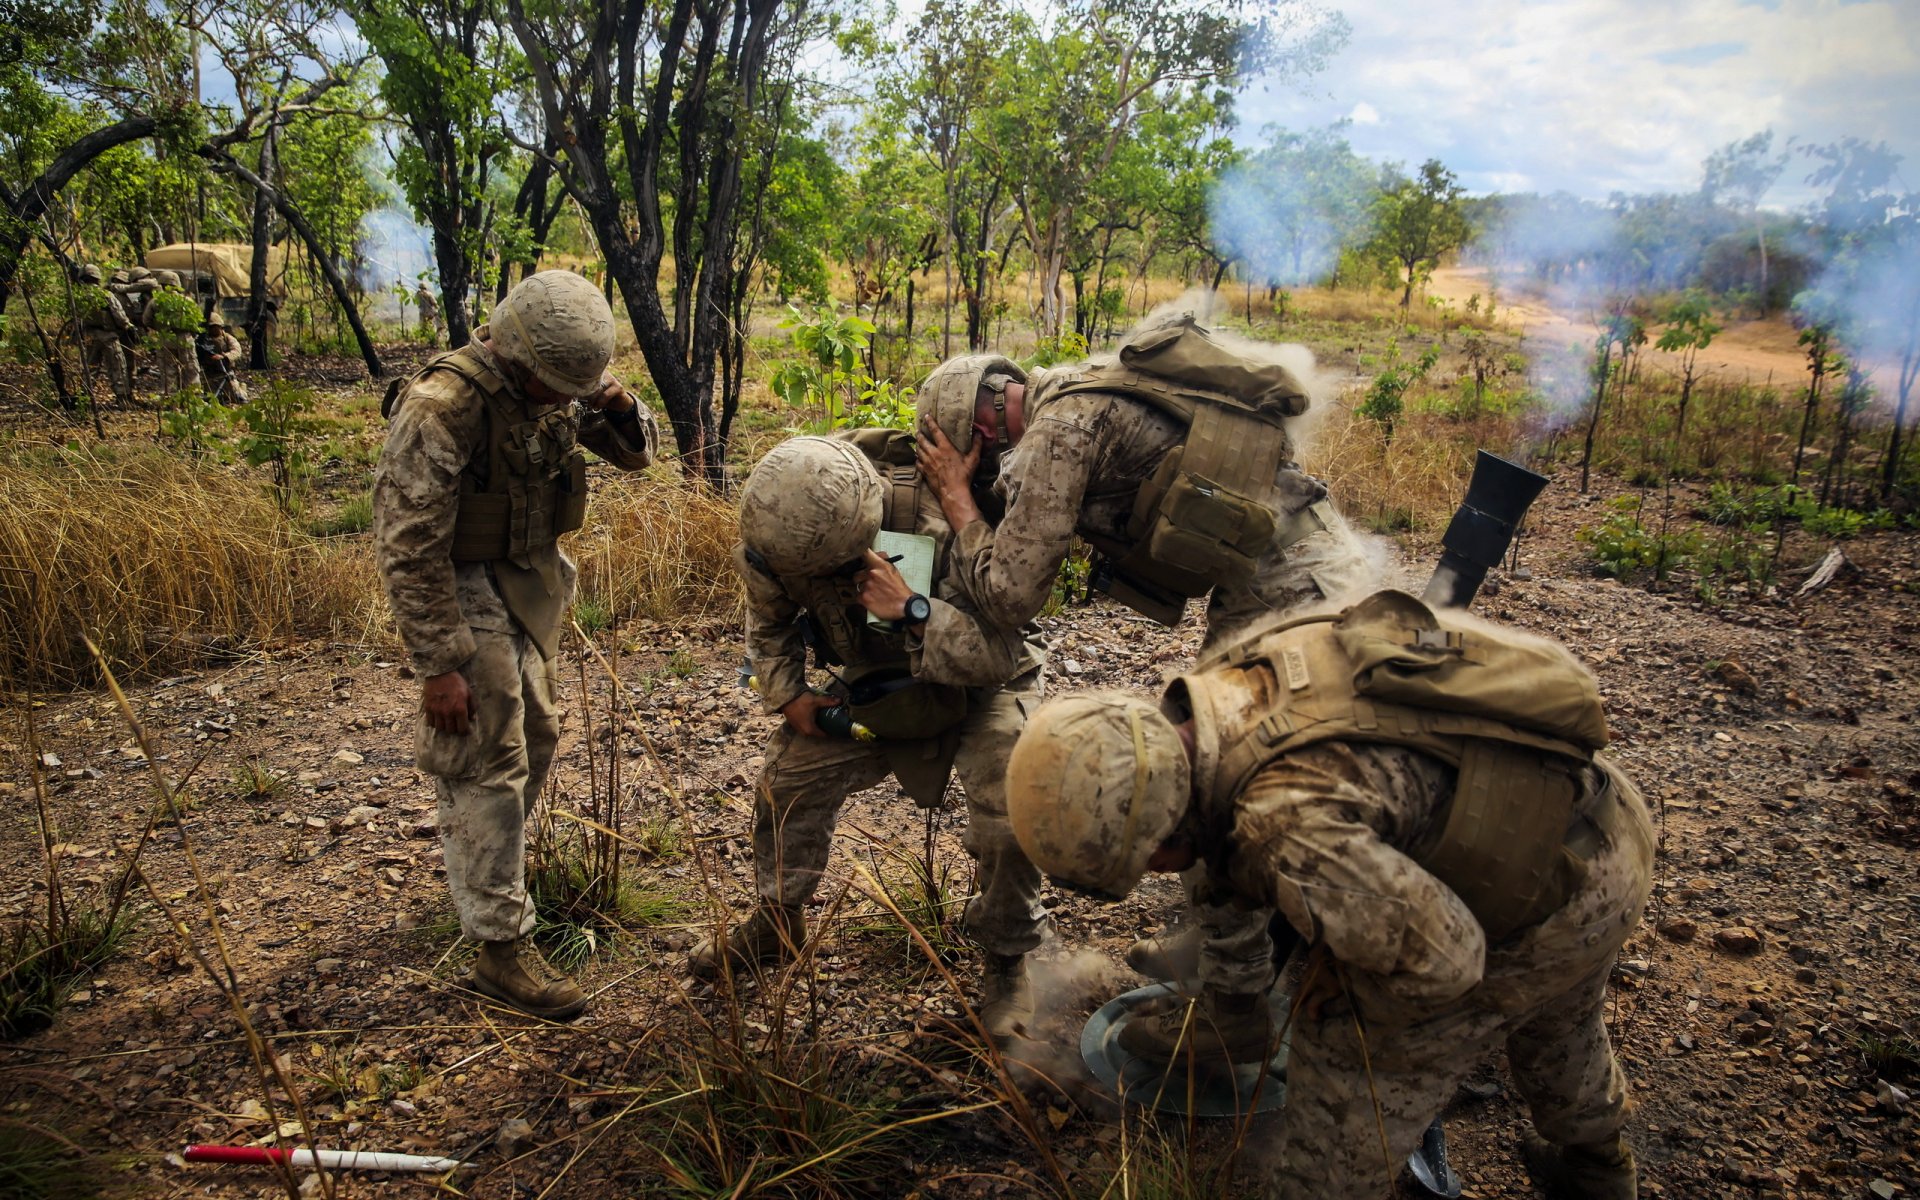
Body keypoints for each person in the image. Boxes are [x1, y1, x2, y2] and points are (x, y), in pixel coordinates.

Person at [1003, 589, 1653, 1200]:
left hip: (1540, 905)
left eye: (1147, 861)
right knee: (1557, 1029)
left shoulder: (1286, 827)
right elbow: (1218, 858)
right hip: (1594, 822)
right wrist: (1233, 1000)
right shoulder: (1213, 702)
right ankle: (1597, 1166)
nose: (1156, 873)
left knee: (1345, 1059)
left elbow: (1447, 962)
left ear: (1162, 828)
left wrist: (1340, 991)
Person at [913, 314, 1376, 1064]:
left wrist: (960, 501)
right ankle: (1219, 949)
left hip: (1290, 594)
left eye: (961, 449)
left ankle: (1235, 1005)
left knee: (1204, 778)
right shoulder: (1087, 383)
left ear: (980, 429)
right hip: (1306, 570)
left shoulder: (1056, 433)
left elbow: (1008, 596)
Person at [691, 432, 1048, 1047]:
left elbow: (999, 651)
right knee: (787, 778)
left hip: (981, 686)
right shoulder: (780, 532)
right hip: (881, 682)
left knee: (1009, 805)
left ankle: (1007, 962)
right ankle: (779, 919)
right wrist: (788, 693)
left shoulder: (937, 521)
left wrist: (912, 607)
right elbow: (769, 621)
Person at [373, 270, 659, 1020]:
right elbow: (407, 546)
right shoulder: (443, 407)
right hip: (460, 578)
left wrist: (617, 404)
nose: (564, 401)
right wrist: (439, 664)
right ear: (512, 351)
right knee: (490, 747)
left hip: (530, 575)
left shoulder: (560, 377)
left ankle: (484, 871)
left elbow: (635, 457)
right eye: (553, 386)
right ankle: (500, 946)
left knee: (537, 732)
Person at [74, 264, 135, 407]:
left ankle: (84, 400)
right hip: (109, 336)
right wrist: (128, 326)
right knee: (117, 367)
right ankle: (122, 400)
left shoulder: (78, 297)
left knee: (90, 368)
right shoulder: (106, 295)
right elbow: (119, 315)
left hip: (89, 336)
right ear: (97, 278)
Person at [143, 270, 203, 396]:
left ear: (162, 284)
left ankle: (171, 402)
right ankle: (194, 400)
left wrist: (160, 328)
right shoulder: (188, 301)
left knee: (168, 372)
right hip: (185, 339)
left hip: (165, 339)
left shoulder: (155, 302)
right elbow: (197, 322)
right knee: (191, 371)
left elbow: (146, 321)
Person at [196, 315, 249, 405]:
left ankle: (241, 388)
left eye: (215, 327)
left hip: (225, 373)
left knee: (239, 398)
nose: (213, 330)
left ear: (221, 327)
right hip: (209, 375)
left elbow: (237, 351)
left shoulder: (228, 338)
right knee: (211, 399)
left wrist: (224, 357)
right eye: (211, 327)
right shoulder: (203, 340)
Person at [416, 281, 441, 348]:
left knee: (423, 326)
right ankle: (432, 339)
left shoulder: (418, 294)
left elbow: (417, 302)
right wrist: (438, 308)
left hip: (422, 313)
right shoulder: (429, 294)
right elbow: (434, 303)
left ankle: (423, 340)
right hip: (429, 313)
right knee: (431, 326)